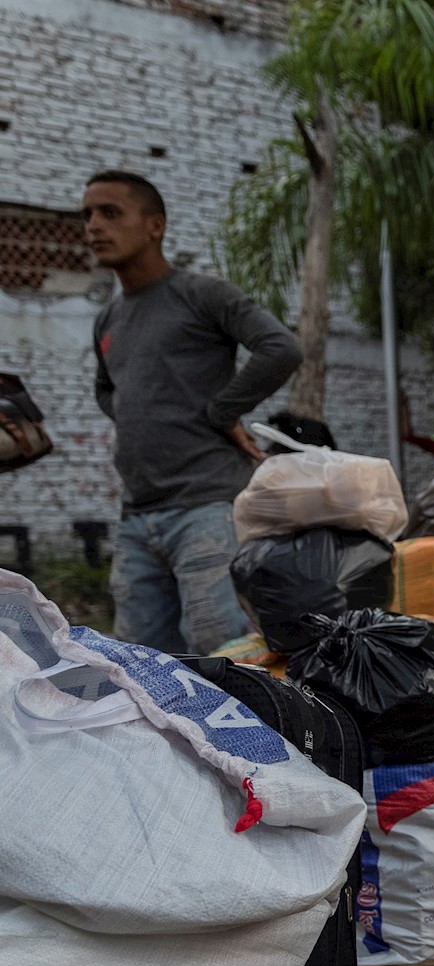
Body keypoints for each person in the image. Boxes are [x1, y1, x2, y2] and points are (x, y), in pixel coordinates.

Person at [86, 170, 302, 654]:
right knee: (137, 665)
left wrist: (224, 410)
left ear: (154, 225)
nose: (93, 226)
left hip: (207, 508)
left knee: (224, 656)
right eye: (88, 215)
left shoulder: (202, 294)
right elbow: (106, 389)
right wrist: (140, 410)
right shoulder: (109, 318)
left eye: (110, 213)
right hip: (138, 518)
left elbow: (280, 348)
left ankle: (250, 734)